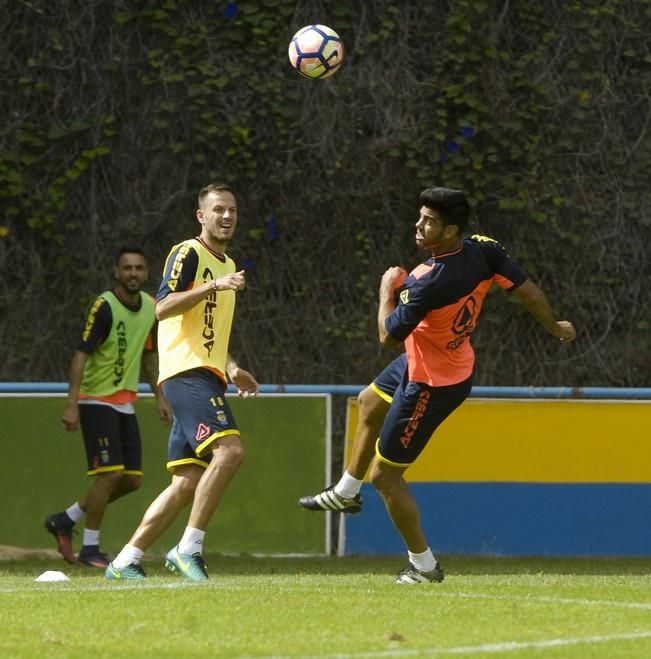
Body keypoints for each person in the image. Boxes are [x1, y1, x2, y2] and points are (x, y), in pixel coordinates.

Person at [299, 187, 576, 584]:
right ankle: (346, 491)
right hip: (428, 362)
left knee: (386, 478)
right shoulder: (484, 249)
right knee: (368, 402)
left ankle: (424, 566)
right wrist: (555, 326)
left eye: (428, 220)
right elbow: (529, 293)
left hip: (431, 383)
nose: (418, 224)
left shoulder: (427, 282)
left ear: (450, 230)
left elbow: (386, 337)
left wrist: (386, 290)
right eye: (420, 215)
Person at [105, 182, 259, 582]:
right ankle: (187, 548)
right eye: (219, 209)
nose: (227, 216)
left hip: (206, 373)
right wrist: (211, 285)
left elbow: (209, 331)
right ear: (201, 216)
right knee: (231, 451)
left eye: (232, 211)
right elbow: (164, 306)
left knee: (186, 480)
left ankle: (125, 560)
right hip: (184, 373)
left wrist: (233, 366)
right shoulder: (188, 252)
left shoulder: (228, 266)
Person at [45, 246, 172, 568]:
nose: (133, 274)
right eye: (127, 268)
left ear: (146, 273)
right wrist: (72, 403)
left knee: (131, 480)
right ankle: (90, 549)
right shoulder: (104, 305)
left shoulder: (151, 307)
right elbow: (80, 353)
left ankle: (65, 519)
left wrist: (159, 395)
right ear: (117, 272)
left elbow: (149, 355)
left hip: (125, 402)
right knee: (110, 474)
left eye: (139, 268)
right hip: (95, 400)